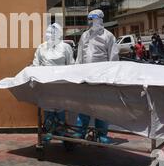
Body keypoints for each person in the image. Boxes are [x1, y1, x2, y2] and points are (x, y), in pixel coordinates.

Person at [72, 9, 119, 144]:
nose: (92, 22)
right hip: (86, 77)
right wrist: (77, 74)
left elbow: (113, 58)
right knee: (84, 104)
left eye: (95, 19)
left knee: (102, 106)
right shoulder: (85, 36)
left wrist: (111, 77)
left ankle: (101, 134)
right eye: (90, 19)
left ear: (101, 19)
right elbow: (80, 56)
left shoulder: (108, 36)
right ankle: (80, 131)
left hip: (102, 78)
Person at [33, 24, 74, 138]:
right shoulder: (41, 47)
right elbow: (36, 63)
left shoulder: (66, 47)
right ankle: (49, 130)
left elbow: (71, 64)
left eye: (52, 33)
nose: (49, 35)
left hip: (62, 83)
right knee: (48, 107)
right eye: (48, 33)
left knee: (61, 107)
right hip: (47, 84)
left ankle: (60, 131)